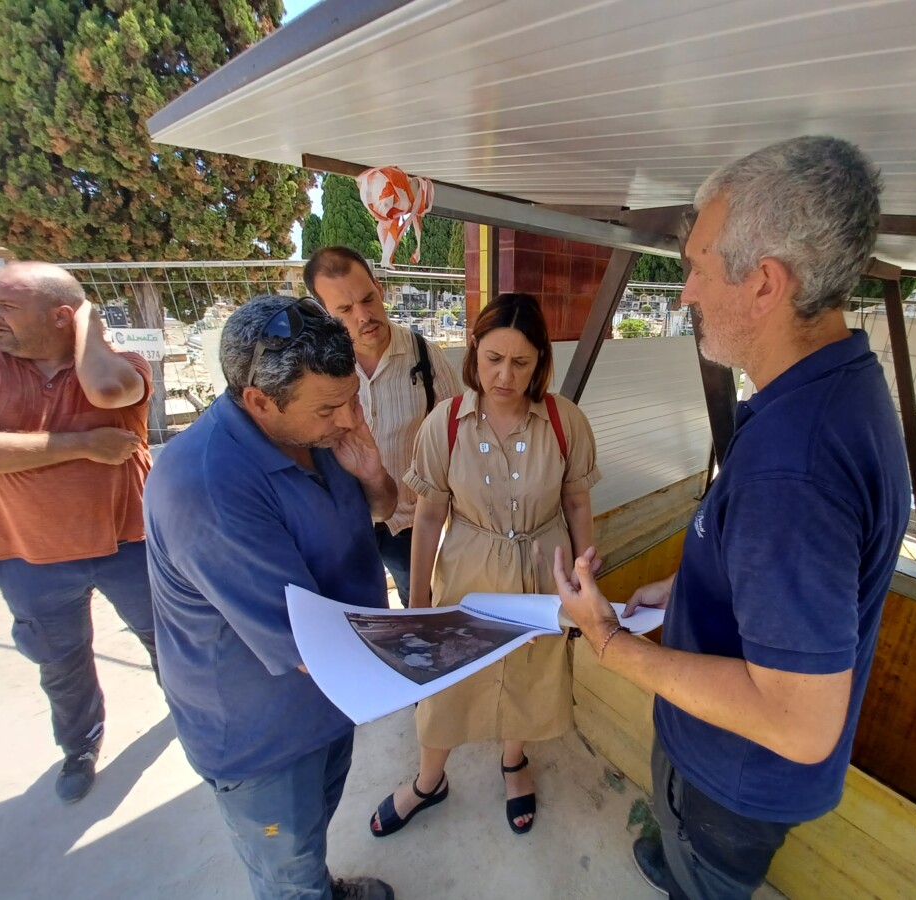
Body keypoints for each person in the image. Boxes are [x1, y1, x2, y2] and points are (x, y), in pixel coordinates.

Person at [552, 136, 911, 899]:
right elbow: (785, 568)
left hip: (732, 784)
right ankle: (674, 851)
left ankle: (686, 865)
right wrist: (691, 588)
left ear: (765, 285)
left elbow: (800, 722)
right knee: (683, 846)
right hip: (723, 765)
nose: (684, 292)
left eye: (698, 268)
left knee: (703, 874)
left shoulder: (795, 471)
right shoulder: (834, 386)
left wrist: (609, 641)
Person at [144, 296, 397, 900]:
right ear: (258, 399)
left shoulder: (316, 434)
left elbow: (382, 512)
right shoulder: (205, 486)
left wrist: (371, 475)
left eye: (352, 397)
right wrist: (444, 649)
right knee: (288, 871)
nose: (349, 419)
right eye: (330, 407)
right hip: (263, 733)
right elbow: (313, 644)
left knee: (313, 831)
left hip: (327, 698)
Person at [370, 292, 601, 838]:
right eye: (493, 359)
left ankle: (513, 760)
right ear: (474, 353)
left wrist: (584, 580)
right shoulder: (444, 424)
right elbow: (428, 518)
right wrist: (421, 600)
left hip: (543, 570)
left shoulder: (565, 422)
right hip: (468, 573)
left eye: (521, 363)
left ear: (540, 360)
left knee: (527, 673)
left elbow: (576, 503)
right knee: (448, 680)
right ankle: (429, 780)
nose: (505, 375)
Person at [0, 261, 157, 804]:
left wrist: (87, 325)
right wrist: (81, 444)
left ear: (61, 316)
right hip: (31, 554)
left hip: (129, 542)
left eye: (6, 306)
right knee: (60, 661)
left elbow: (107, 389)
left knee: (167, 640)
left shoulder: (120, 364)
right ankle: (80, 746)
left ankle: (196, 713)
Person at [304, 247, 458, 606]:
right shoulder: (315, 371)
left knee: (420, 600)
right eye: (344, 310)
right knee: (356, 609)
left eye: (368, 298)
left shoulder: (425, 356)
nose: (363, 315)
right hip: (346, 523)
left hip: (410, 522)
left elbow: (457, 436)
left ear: (379, 287)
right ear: (324, 313)